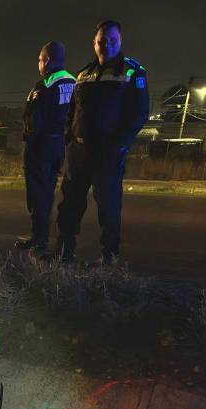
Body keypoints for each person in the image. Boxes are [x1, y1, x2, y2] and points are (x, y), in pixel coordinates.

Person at [47, 19, 149, 265]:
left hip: (108, 154)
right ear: (94, 44)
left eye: (112, 40)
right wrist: (69, 141)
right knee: (69, 205)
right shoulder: (84, 74)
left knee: (109, 208)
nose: (107, 45)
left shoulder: (133, 72)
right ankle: (64, 252)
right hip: (79, 152)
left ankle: (109, 258)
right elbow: (72, 112)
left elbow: (139, 114)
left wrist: (120, 146)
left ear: (120, 41)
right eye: (102, 41)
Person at [16, 41, 76, 253]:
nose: (39, 64)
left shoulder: (45, 85)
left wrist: (29, 143)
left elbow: (33, 119)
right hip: (60, 144)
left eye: (40, 60)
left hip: (41, 146)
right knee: (48, 191)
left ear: (47, 60)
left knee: (37, 193)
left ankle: (38, 238)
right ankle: (44, 237)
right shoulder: (74, 82)